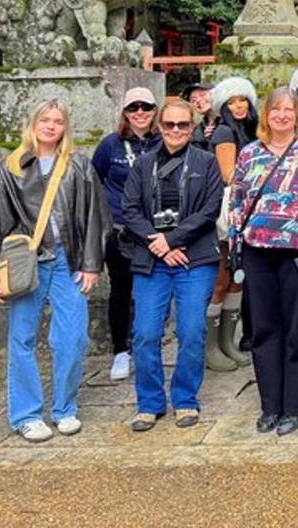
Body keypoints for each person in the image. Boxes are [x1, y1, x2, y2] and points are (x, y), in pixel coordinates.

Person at [0, 99, 109, 442]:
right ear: (33, 124)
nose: (51, 126)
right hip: (28, 260)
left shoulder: (79, 165)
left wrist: (92, 263)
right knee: (22, 337)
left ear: (66, 127)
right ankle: (26, 413)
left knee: (73, 337)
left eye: (58, 121)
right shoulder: (12, 166)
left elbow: (96, 216)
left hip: (69, 258)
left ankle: (65, 407)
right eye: (45, 120)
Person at [229, 87, 298, 437]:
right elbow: (238, 200)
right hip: (257, 249)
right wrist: (235, 244)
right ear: (266, 114)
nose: (283, 115)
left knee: (297, 328)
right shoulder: (249, 154)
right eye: (276, 109)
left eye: (289, 109)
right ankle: (270, 403)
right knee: (264, 329)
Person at [121, 99, 224, 431]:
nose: (176, 131)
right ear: (159, 127)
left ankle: (185, 399)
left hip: (194, 258)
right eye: (169, 125)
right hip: (152, 258)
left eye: (182, 125)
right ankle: (149, 402)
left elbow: (210, 208)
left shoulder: (206, 162)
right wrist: (159, 243)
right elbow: (129, 209)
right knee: (145, 333)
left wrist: (175, 239)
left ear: (192, 127)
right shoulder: (142, 164)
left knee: (191, 331)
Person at [92, 86, 161, 381]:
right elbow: (95, 178)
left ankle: (148, 343)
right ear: (125, 113)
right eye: (134, 108)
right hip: (120, 229)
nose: (140, 113)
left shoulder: (163, 141)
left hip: (157, 229)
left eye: (146, 107)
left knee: (153, 289)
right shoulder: (111, 145)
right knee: (121, 288)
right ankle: (121, 349)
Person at [205, 76, 259, 371]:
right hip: (230, 211)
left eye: (243, 100)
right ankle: (212, 346)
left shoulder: (249, 130)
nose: (239, 106)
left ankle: (227, 342)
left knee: (237, 277)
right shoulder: (224, 132)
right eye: (232, 102)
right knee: (222, 277)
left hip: (247, 208)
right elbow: (229, 175)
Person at [183, 82, 217, 151]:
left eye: (202, 95)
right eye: (193, 100)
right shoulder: (198, 130)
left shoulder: (230, 119)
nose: (198, 100)